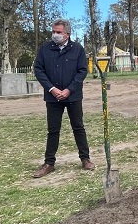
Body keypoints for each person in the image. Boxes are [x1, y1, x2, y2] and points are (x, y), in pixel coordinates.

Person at [33, 18, 94, 178]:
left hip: (73, 96)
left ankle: (85, 158)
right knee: (53, 130)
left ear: (67, 33)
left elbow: (82, 71)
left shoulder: (78, 49)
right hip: (52, 97)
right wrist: (52, 89)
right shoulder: (45, 49)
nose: (55, 34)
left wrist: (69, 90)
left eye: (58, 32)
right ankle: (49, 163)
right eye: (53, 31)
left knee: (78, 127)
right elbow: (38, 70)